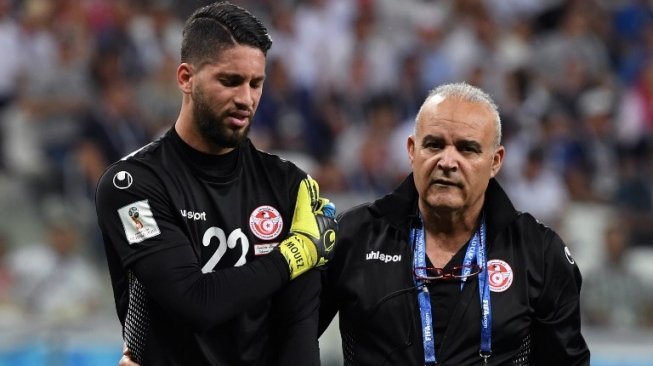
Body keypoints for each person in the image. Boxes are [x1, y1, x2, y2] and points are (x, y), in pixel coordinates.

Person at [95, 2, 336, 365]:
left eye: (256, 84)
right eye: (230, 81)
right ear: (185, 78)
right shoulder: (131, 188)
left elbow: (298, 328)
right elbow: (193, 303)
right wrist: (291, 256)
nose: (246, 99)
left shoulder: (289, 185)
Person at [319, 82, 590, 365]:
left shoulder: (540, 254)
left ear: (495, 161)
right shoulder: (353, 236)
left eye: (467, 149)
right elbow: (289, 338)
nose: (447, 161)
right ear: (412, 150)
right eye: (434, 145)